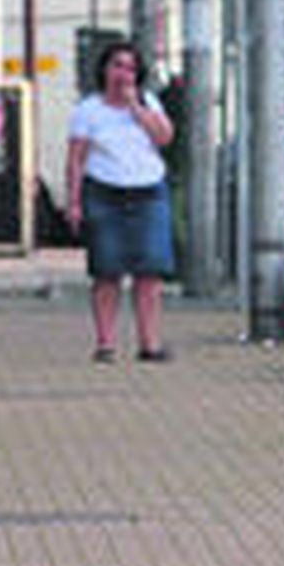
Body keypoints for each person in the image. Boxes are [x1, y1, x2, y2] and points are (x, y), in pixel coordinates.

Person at [65, 40, 176, 363]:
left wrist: (137, 109)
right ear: (104, 70)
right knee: (107, 271)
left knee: (150, 272)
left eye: (129, 68)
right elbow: (76, 159)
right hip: (105, 193)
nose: (123, 74)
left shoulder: (148, 102)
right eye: (117, 66)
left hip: (148, 192)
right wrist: (74, 203)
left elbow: (165, 137)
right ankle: (106, 343)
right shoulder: (88, 110)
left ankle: (149, 343)